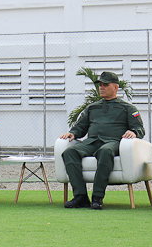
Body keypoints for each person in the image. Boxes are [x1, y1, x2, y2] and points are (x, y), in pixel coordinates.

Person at [59, 71, 145, 210]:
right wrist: (72, 133)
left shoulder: (128, 108)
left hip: (113, 142)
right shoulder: (92, 107)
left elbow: (140, 129)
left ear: (115, 87)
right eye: (100, 85)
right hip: (92, 141)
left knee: (105, 151)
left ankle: (97, 197)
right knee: (70, 152)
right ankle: (80, 196)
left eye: (106, 85)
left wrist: (133, 132)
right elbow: (80, 127)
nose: (102, 88)